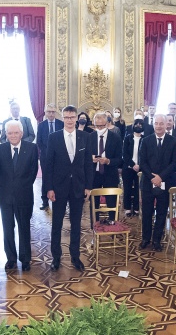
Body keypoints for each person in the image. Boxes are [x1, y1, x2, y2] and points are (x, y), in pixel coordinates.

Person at [43, 105, 93, 271]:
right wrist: (49, 188)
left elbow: (88, 164)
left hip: (78, 186)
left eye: (72, 117)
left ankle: (75, 257)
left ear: (77, 118)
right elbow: (48, 165)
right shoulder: (54, 137)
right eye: (66, 117)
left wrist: (88, 186)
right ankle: (56, 257)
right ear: (62, 118)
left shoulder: (85, 137)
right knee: (57, 224)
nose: (69, 120)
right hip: (58, 187)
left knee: (76, 224)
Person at [0, 120, 38, 271]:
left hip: (24, 195)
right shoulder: (0, 149)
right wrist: (8, 185)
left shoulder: (31, 148)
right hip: (5, 196)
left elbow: (33, 172)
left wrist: (21, 185)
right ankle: (11, 258)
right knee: (7, 228)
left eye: (16, 133)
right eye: (10, 133)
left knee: (24, 227)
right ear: (6, 134)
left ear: (22, 133)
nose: (13, 135)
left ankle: (25, 259)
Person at [138, 113, 176, 251]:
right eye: (156, 123)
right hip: (147, 182)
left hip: (166, 182)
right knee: (147, 212)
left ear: (166, 125)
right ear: (153, 124)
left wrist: (160, 177)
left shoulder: (173, 141)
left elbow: (174, 163)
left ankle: (157, 240)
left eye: (161, 123)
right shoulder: (146, 140)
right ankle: (145, 238)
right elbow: (142, 162)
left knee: (162, 212)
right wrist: (152, 177)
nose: (158, 126)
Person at [91, 111, 123, 220]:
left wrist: (108, 161)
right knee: (93, 204)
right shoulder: (90, 137)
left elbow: (119, 159)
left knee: (112, 203)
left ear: (107, 123)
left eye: (102, 125)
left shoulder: (115, 138)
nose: (100, 128)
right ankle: (94, 225)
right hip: (94, 175)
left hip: (110, 175)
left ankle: (112, 223)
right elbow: (83, 158)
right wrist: (91, 159)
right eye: (97, 126)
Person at [36, 105, 63, 210]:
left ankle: (59, 199)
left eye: (53, 112)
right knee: (46, 178)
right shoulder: (41, 125)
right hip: (45, 157)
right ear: (45, 112)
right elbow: (39, 141)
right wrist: (48, 152)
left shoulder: (61, 124)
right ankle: (44, 201)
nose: (51, 114)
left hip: (59, 157)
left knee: (59, 178)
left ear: (55, 112)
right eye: (49, 112)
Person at [122, 116, 144, 217]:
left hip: (140, 169)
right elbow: (124, 154)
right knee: (127, 188)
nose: (138, 126)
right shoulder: (128, 138)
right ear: (133, 126)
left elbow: (146, 155)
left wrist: (139, 165)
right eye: (136, 124)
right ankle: (127, 208)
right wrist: (133, 164)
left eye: (140, 125)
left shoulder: (145, 139)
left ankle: (136, 208)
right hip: (128, 167)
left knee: (137, 189)